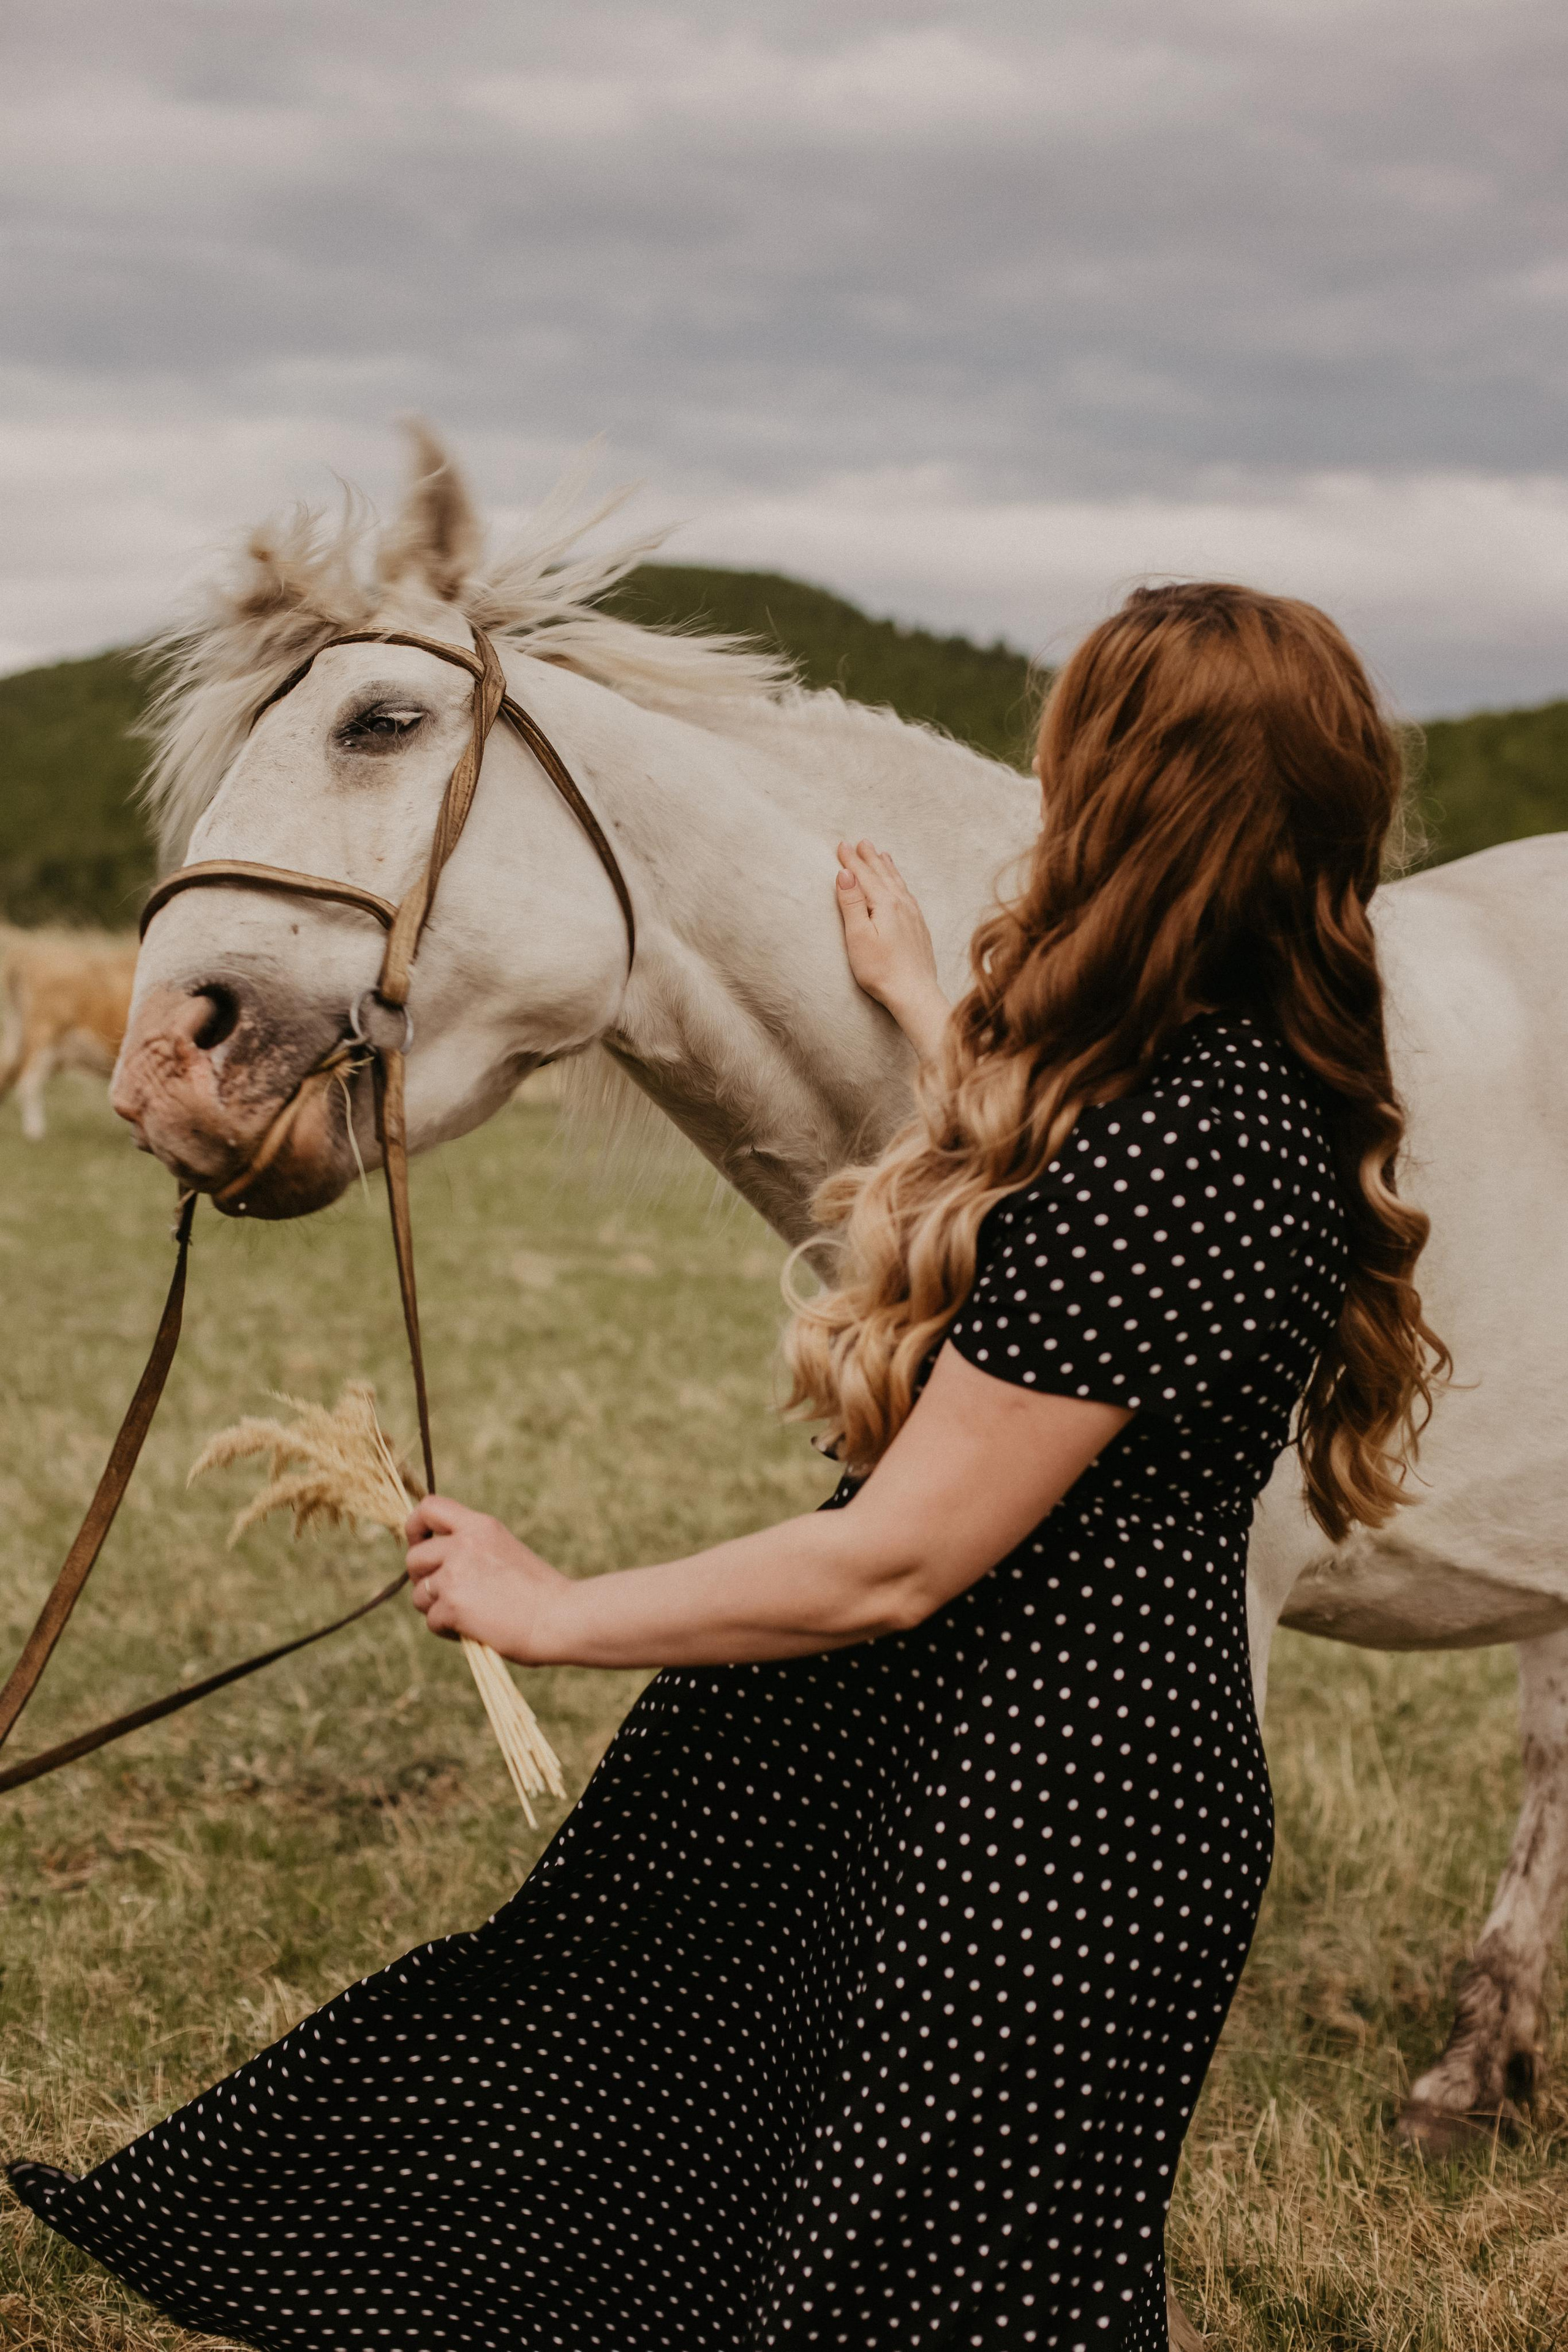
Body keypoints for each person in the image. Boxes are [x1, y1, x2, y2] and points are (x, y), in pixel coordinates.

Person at [9, 582, 1446, 2351]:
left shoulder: (1193, 1151)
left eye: (1076, 761)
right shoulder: (1214, 1093)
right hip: (943, 1768)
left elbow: (900, 1558)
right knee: (643, 2161)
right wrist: (920, 1005)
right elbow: (1056, 1200)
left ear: (1134, 799)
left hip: (1040, 1829)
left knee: (920, 2295)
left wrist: (552, 1607)